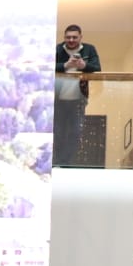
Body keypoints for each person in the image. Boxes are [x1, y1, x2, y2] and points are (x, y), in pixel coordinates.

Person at [54, 24, 101, 166]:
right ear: (64, 38)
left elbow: (97, 68)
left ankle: (66, 162)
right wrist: (65, 66)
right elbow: (46, 66)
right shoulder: (56, 49)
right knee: (58, 132)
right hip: (58, 100)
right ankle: (56, 162)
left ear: (81, 37)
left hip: (78, 100)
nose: (71, 40)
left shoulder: (89, 49)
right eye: (68, 37)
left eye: (74, 37)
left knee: (75, 132)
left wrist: (83, 66)